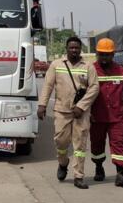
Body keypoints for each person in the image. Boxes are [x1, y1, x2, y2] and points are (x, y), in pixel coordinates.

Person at [37, 36, 99, 189]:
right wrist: (42, 105)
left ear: (80, 49)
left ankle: (78, 176)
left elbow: (94, 88)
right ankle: (63, 163)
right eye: (71, 48)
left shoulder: (88, 66)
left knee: (80, 145)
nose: (74, 50)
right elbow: (48, 85)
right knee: (61, 141)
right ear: (66, 49)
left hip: (81, 113)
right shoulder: (56, 65)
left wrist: (82, 106)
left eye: (77, 48)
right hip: (61, 110)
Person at [90, 38, 123, 187]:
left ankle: (120, 173)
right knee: (97, 145)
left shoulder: (121, 71)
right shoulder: (91, 70)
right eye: (101, 54)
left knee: (118, 144)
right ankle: (98, 167)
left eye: (107, 54)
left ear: (113, 54)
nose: (104, 57)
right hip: (96, 117)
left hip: (116, 117)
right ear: (97, 54)